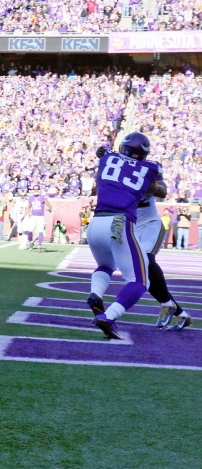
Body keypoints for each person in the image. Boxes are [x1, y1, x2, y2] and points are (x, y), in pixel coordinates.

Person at [86, 135, 166, 339]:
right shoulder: (151, 168)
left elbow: (103, 174)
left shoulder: (105, 158)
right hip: (119, 223)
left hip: (95, 224)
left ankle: (96, 294)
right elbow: (159, 189)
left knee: (105, 266)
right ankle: (109, 316)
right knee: (140, 282)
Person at [134, 193, 193, 331]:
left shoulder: (145, 171)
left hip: (151, 225)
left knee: (147, 260)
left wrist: (149, 185)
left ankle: (167, 303)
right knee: (141, 276)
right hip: (133, 226)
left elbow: (162, 190)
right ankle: (181, 314)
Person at [24, 186, 53, 252]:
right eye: (35, 189)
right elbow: (28, 208)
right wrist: (24, 216)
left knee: (40, 231)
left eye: (37, 189)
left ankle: (39, 246)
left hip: (40, 216)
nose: (36, 190)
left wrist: (49, 209)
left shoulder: (42, 197)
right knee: (29, 231)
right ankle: (31, 243)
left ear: (39, 190)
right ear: (33, 190)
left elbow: (50, 206)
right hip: (33, 216)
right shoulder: (31, 198)